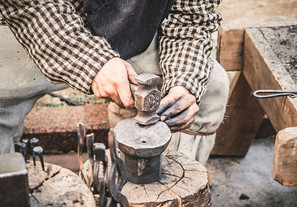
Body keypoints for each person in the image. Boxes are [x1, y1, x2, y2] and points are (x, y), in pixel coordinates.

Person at [0, 0, 229, 165]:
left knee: (211, 85)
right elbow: (28, 7)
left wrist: (184, 83)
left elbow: (191, 20)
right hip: (36, 30)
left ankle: (168, 183)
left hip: (133, 35)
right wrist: (91, 60)